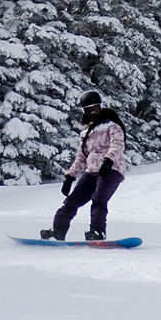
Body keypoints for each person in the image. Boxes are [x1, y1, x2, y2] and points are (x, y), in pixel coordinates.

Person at [43, 93, 128, 241]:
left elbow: (118, 145)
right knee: (72, 201)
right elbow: (82, 156)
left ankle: (98, 232)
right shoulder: (86, 131)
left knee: (99, 199)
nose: (92, 113)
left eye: (95, 109)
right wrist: (70, 176)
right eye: (88, 110)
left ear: (100, 107)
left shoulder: (112, 126)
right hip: (91, 171)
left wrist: (108, 161)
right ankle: (59, 230)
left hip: (111, 170)